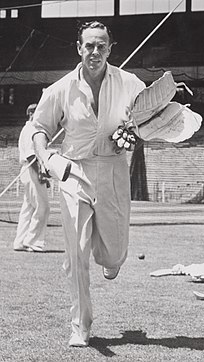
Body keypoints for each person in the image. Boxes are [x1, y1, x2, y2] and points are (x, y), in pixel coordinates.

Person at [31, 21, 146, 347]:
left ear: (110, 49)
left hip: (113, 170)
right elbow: (39, 127)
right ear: (79, 48)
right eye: (89, 46)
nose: (95, 52)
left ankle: (111, 258)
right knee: (77, 254)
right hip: (73, 173)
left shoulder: (129, 83)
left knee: (112, 254)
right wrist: (46, 158)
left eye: (101, 46)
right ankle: (80, 325)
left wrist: (138, 131)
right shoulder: (61, 89)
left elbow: (151, 114)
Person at [13, 103, 50, 252]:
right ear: (30, 113)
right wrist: (40, 173)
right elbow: (30, 155)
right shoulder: (30, 130)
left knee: (28, 207)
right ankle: (32, 241)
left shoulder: (30, 129)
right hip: (31, 169)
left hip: (28, 171)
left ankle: (20, 241)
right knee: (43, 207)